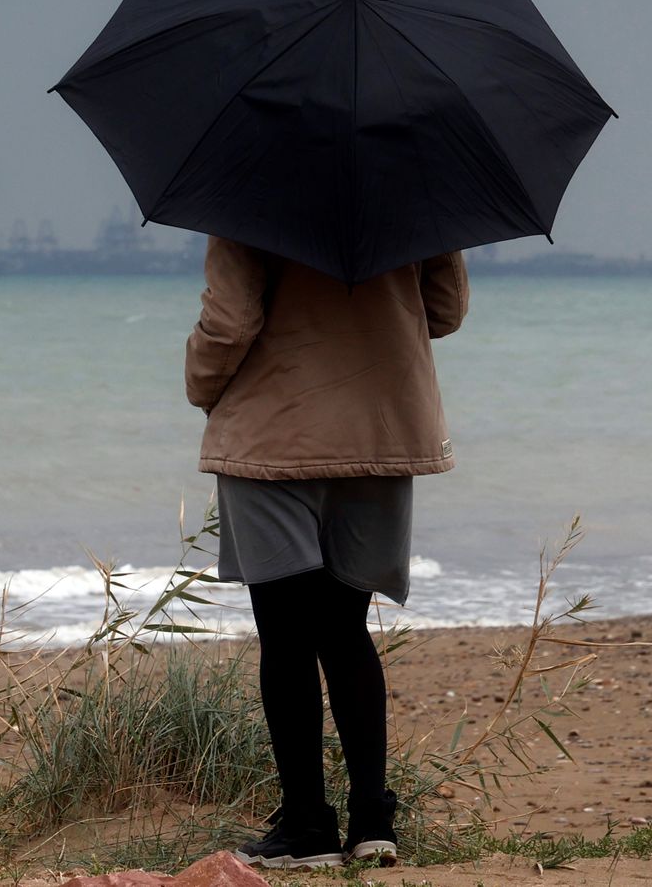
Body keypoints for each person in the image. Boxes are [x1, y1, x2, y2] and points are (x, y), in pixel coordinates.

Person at [184, 237, 469, 868]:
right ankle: (372, 823)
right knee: (345, 629)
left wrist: (201, 384)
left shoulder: (248, 189)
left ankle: (307, 826)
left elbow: (230, 323)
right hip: (381, 432)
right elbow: (444, 312)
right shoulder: (411, 185)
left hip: (271, 435)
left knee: (285, 636)